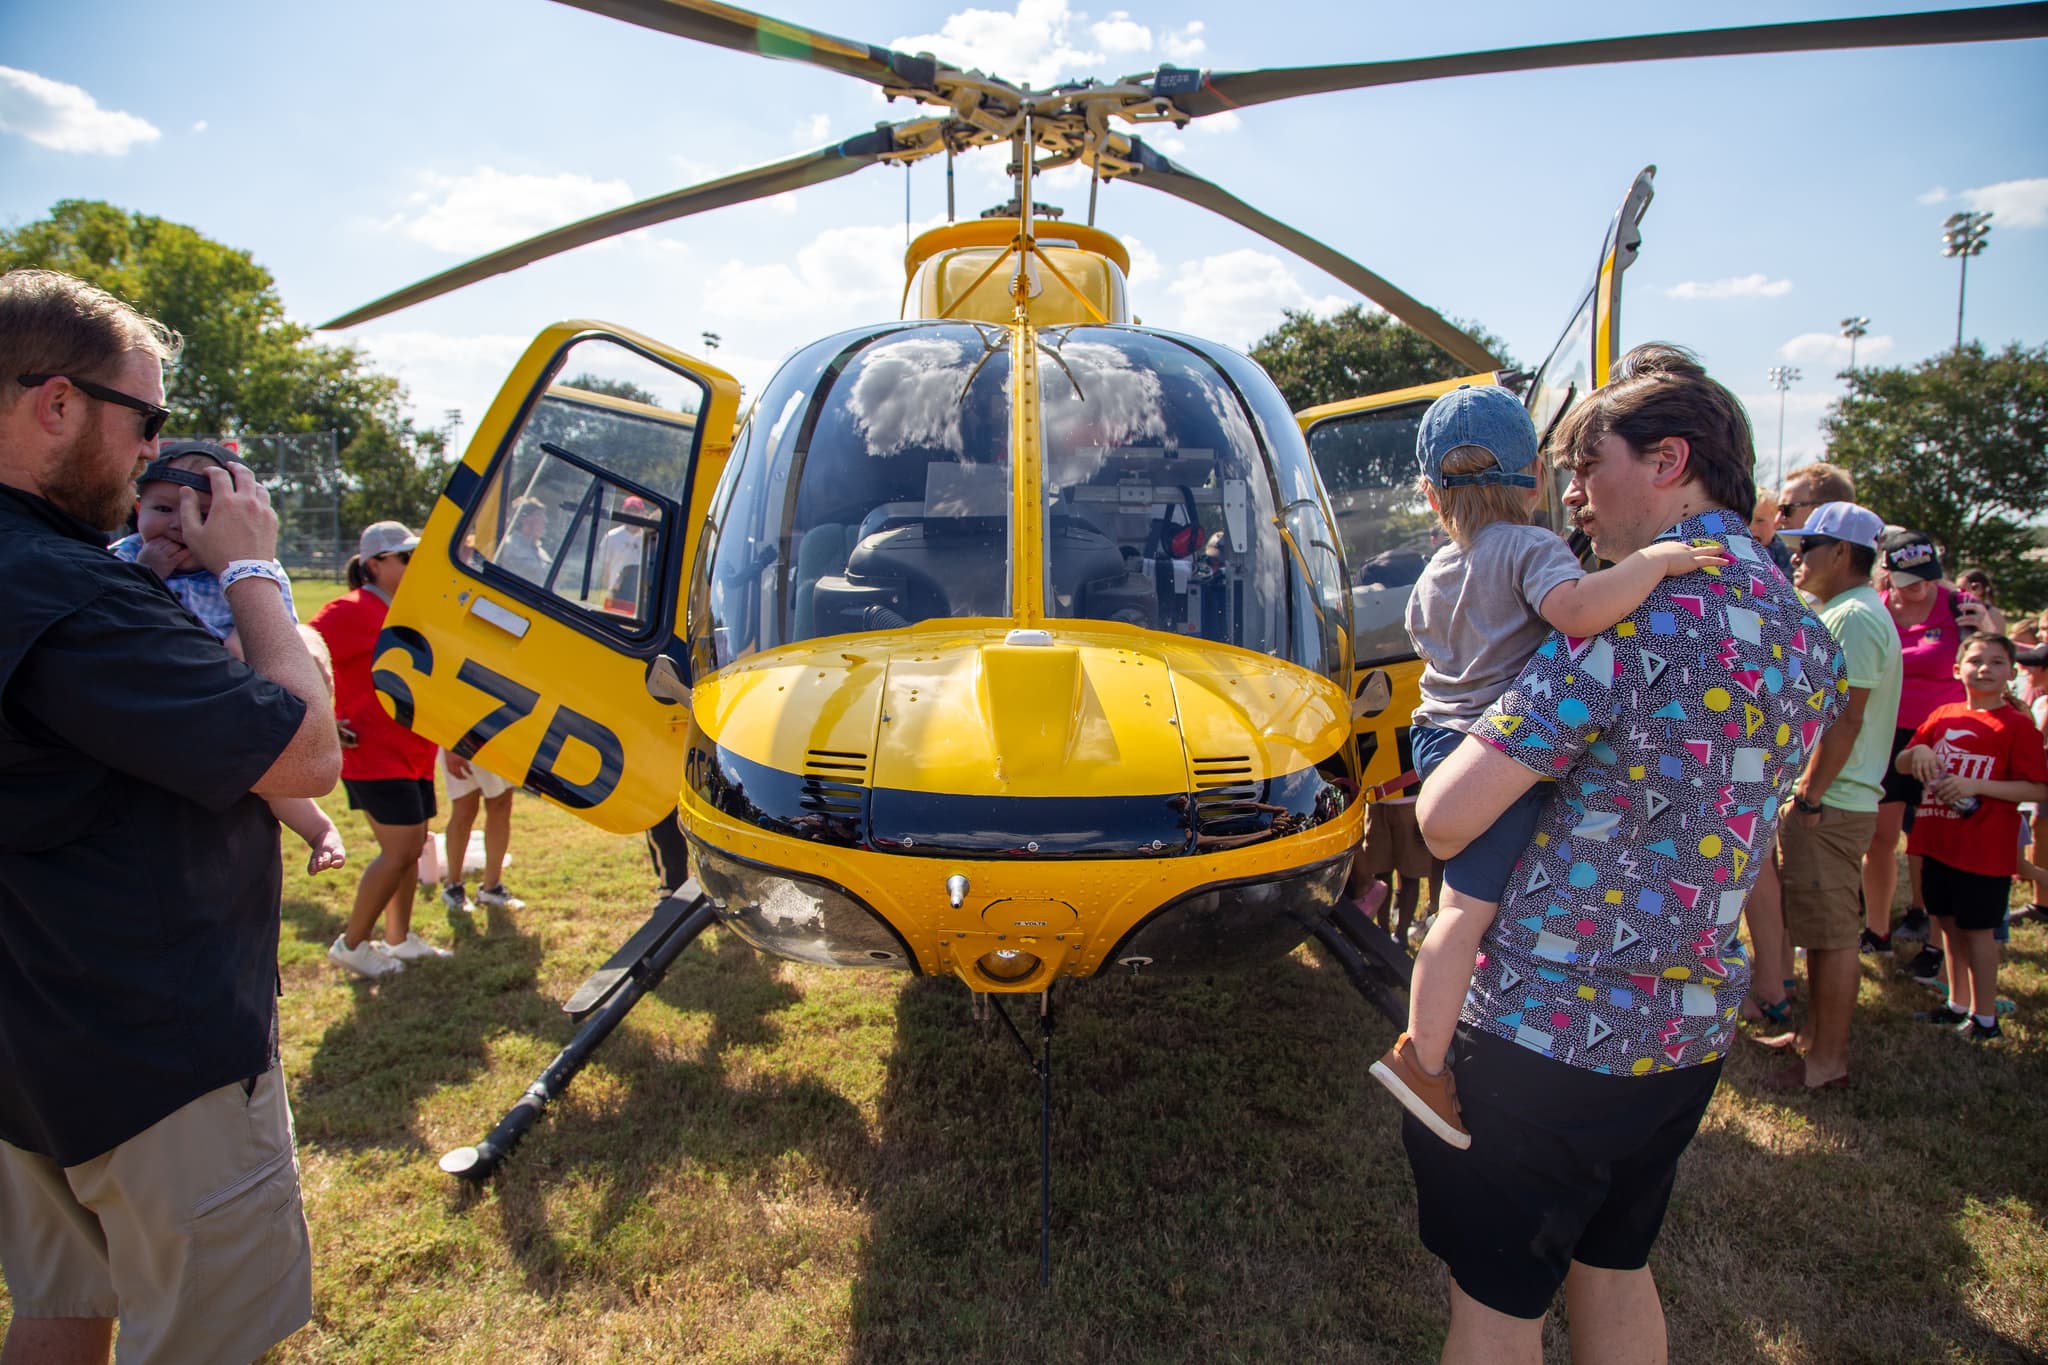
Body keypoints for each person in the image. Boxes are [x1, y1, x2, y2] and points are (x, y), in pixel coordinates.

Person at [1391, 343, 1841, 1361]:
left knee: (1497, 1302)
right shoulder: (1801, 630)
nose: (1576, 498)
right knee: (1616, 1266)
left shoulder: (1633, 617)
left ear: (1666, 460)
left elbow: (1447, 820)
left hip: (1546, 1034)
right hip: (1682, 1029)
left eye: (1589, 467)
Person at [0, 268, 340, 1363]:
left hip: (28, 1040)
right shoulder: (74, 592)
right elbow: (303, 746)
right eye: (143, 418)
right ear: (56, 404)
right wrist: (253, 567)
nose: (153, 450)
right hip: (156, 1051)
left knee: (61, 1309)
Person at [1370, 383, 1726, 1148]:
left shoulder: (1435, 570)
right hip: (1490, 748)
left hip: (1436, 738)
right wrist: (1658, 563)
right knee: (1462, 913)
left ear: (1431, 493)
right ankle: (1422, 1058)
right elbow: (1578, 611)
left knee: (1464, 903)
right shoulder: (1530, 548)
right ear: (1532, 475)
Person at [113, 443, 345, 875]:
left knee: (269, 777)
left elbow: (283, 634)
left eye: (203, 514)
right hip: (164, 709)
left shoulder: (253, 566)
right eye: (164, 508)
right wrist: (147, 572)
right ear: (136, 504)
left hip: (233, 704)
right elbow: (117, 614)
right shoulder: (123, 558)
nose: (182, 525)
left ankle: (318, 829)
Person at [1759, 504, 1904, 1088]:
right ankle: (1811, 1040)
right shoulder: (1851, 611)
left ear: (1843, 553)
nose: (1797, 556)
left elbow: (1846, 719)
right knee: (1819, 932)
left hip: (1834, 800)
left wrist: (1812, 795)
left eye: (1809, 545)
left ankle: (1826, 1063)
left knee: (1834, 935)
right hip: (1832, 797)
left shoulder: (1855, 618)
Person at [312, 521, 450, 976]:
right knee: (399, 850)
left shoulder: (405, 608)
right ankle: (352, 944)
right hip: (374, 752)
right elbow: (301, 648)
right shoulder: (350, 609)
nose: (415, 565)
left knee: (411, 849)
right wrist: (326, 718)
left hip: (412, 750)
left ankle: (399, 937)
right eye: (406, 558)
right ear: (374, 565)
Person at [1898, 634, 2047, 1039]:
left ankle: (1985, 1019)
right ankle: (1956, 1003)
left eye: (1997, 662)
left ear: (2012, 673)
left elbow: (2038, 787)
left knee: (1978, 930)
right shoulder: (1942, 714)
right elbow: (1903, 761)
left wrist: (1975, 786)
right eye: (1976, 659)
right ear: (1956, 669)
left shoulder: (2017, 726)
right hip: (1937, 841)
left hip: (1984, 849)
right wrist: (1920, 754)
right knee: (1946, 924)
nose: (1985, 668)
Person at [1870, 529, 2003, 973]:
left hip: (1945, 736)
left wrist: (1984, 625)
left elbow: (1994, 649)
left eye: (1927, 577)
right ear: (1886, 572)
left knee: (1932, 840)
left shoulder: (1957, 603)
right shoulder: (1877, 605)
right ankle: (1877, 930)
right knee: (1881, 837)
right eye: (1909, 579)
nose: (1920, 588)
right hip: (1887, 733)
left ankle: (1931, 936)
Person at [439, 749, 526, 913]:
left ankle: (491, 888)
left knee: (501, 804)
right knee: (465, 809)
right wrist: (450, 747)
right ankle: (453, 887)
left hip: (500, 736)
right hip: (463, 734)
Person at [494, 494, 552, 583]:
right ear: (524, 518)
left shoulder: (543, 554)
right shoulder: (507, 546)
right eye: (539, 515)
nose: (545, 521)